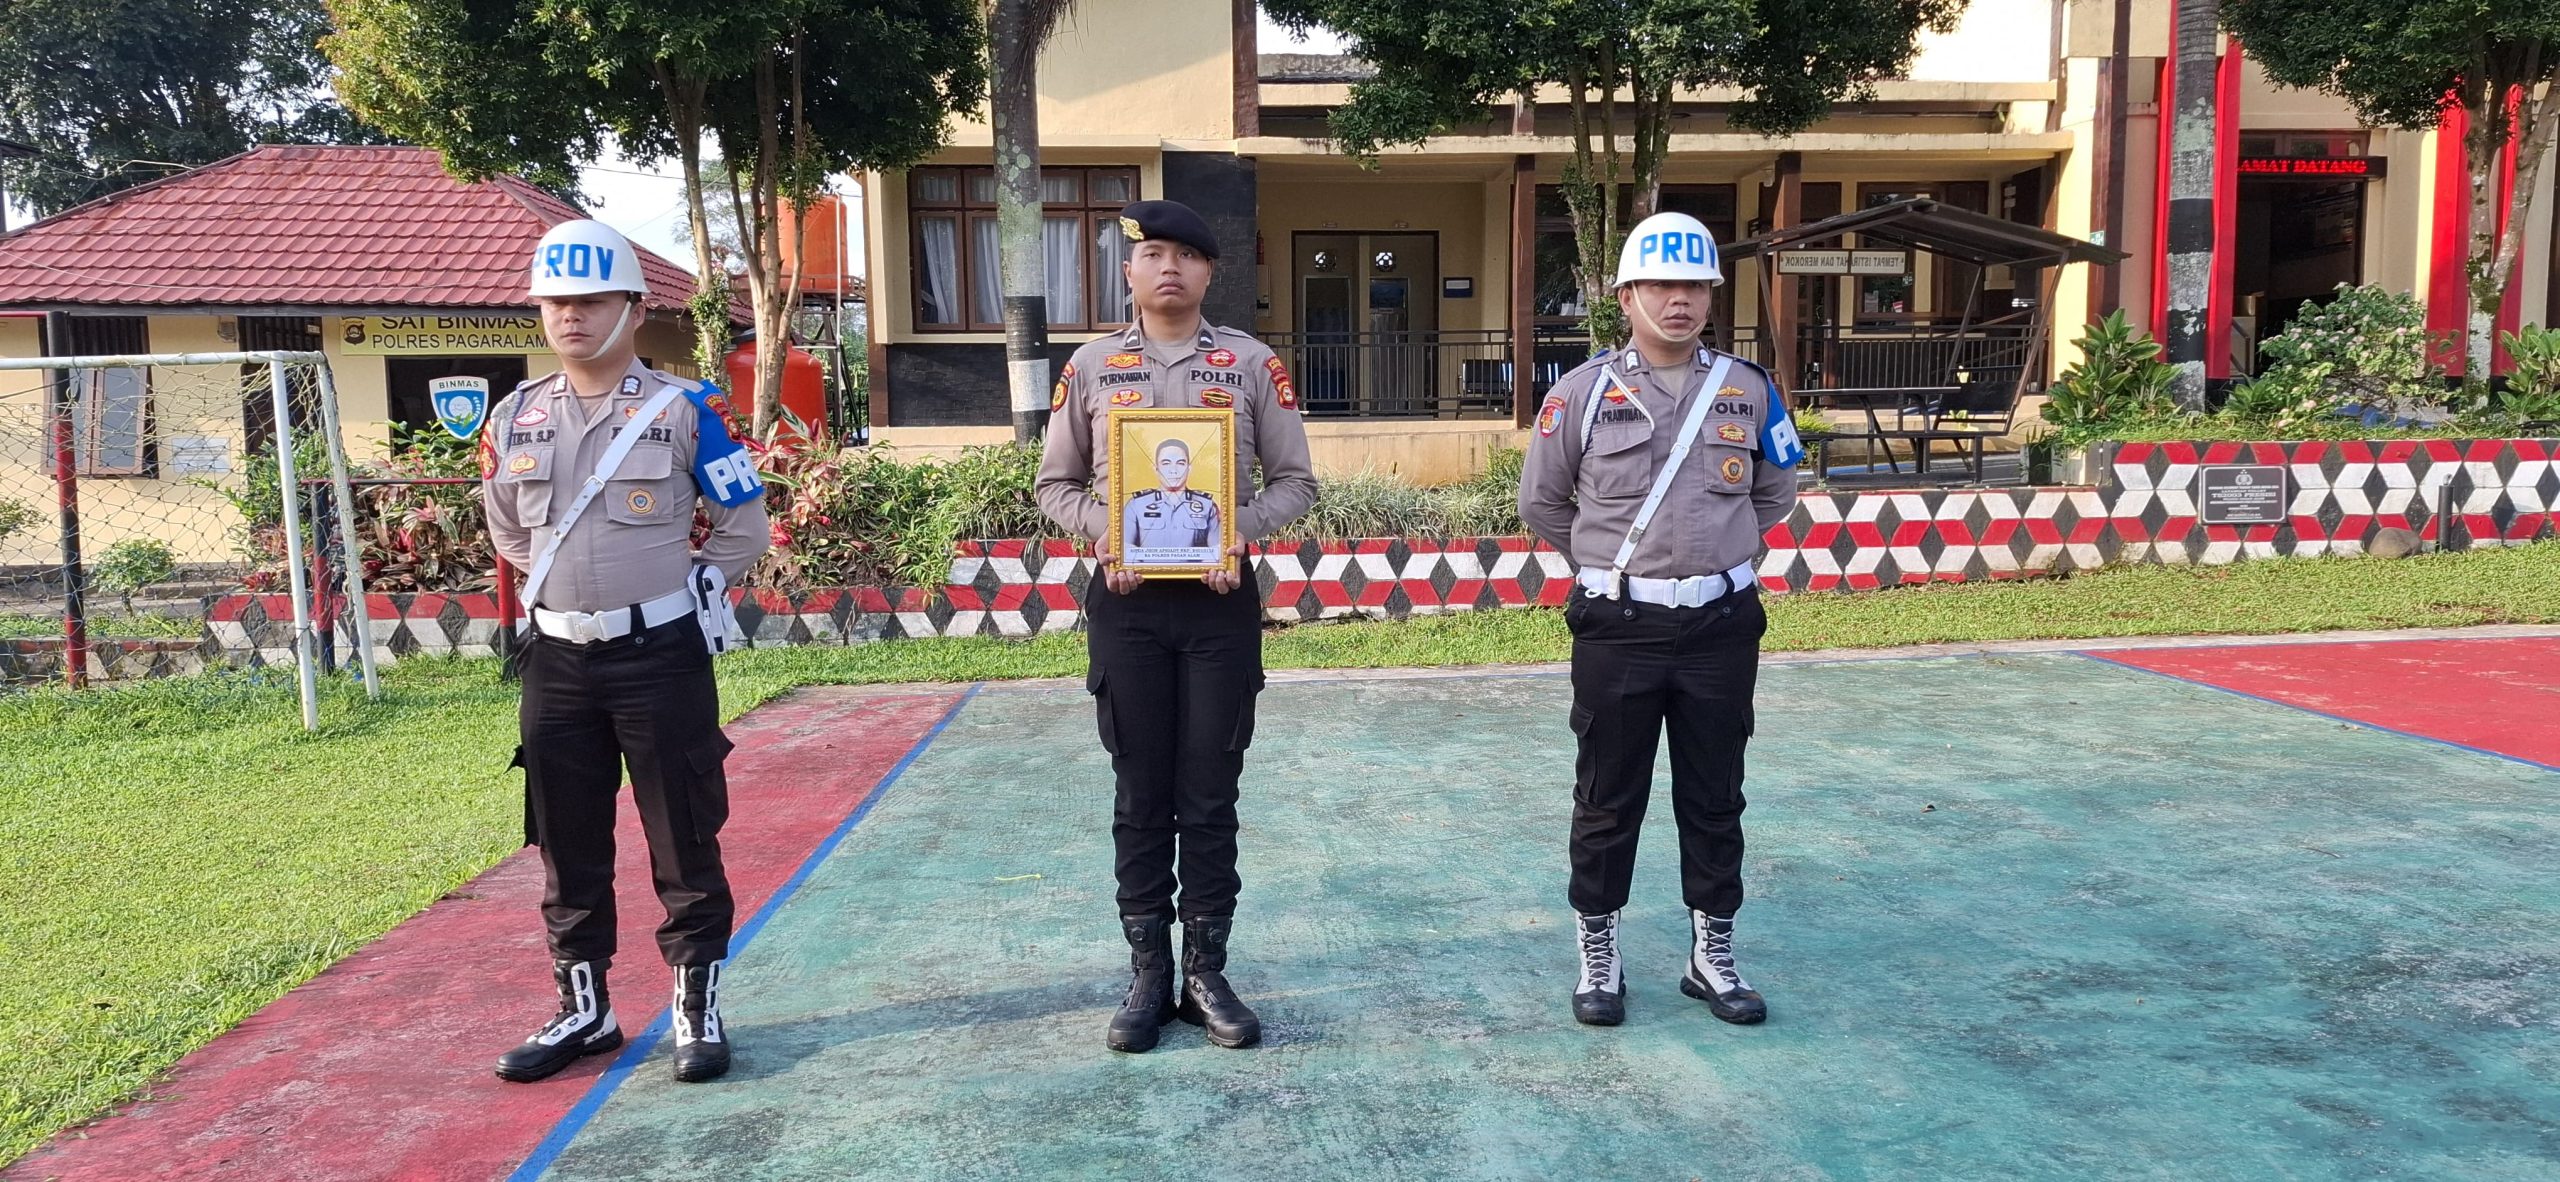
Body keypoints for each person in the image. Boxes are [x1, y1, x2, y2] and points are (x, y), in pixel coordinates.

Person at [481, 218, 771, 1083]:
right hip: (557, 660)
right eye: (555, 303)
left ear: (635, 310)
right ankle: (585, 1008)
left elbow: (742, 525)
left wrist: (676, 592)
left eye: (590, 301)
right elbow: (508, 529)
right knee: (565, 837)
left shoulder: (687, 410)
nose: (569, 317)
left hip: (660, 654)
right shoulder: (515, 416)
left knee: (684, 831)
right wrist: (572, 594)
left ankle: (696, 1007)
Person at [1035, 199, 1318, 1053]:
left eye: (1186, 256)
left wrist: (1237, 532)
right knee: (1140, 790)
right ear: (1129, 269)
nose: (1169, 268)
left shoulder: (1250, 364)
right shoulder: (1091, 367)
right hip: (1126, 606)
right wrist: (1107, 533)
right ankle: (1148, 973)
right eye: (1153, 253)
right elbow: (1054, 485)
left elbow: (1296, 483)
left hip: (1217, 605)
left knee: (1209, 788)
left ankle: (1206, 971)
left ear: (1208, 272)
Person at [1517, 210, 1804, 1029]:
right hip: (1620, 625)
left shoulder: (1749, 388)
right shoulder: (1580, 394)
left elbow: (1776, 490)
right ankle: (1598, 954)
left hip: (1721, 623)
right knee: (1607, 797)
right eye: (1660, 286)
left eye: (1694, 287)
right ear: (1626, 297)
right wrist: (1613, 567)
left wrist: (1715, 554)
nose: (1679, 301)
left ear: (1711, 295)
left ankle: (1712, 954)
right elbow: (1542, 503)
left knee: (1716, 795)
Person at [1121, 437, 1222, 553]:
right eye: (1166, 463)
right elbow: (1125, 549)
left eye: (1180, 463)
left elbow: (1217, 551)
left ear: (1189, 468)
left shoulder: (1207, 505)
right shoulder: (1136, 505)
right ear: (1156, 469)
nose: (1173, 470)